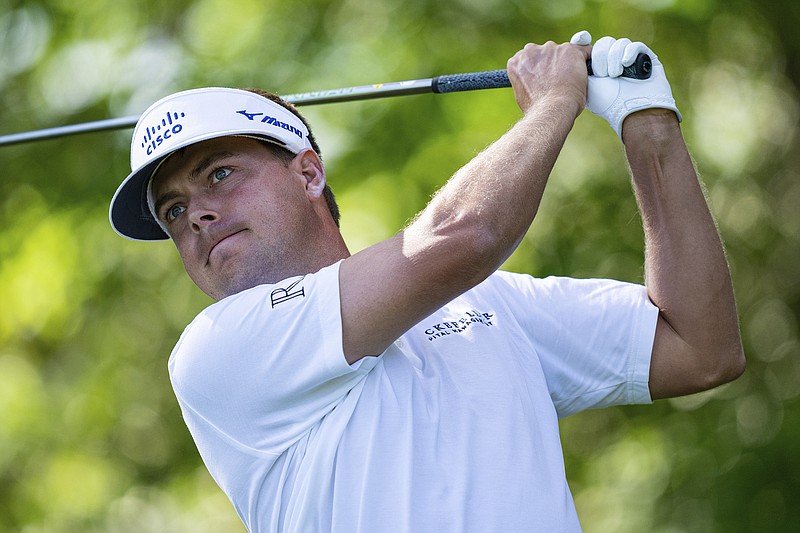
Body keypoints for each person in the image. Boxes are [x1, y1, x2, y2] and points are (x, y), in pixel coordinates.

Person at [109, 31, 745, 532]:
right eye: (172, 209)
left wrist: (649, 124)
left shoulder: (493, 305)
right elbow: (463, 236)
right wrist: (556, 101)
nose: (195, 213)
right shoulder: (218, 351)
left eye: (219, 173)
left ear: (308, 174)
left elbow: (700, 348)